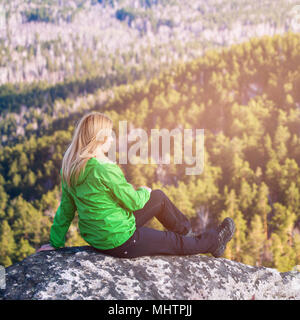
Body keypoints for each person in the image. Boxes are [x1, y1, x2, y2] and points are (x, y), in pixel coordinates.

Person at [37, 111, 235, 259]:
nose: (112, 139)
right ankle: (212, 242)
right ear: (100, 140)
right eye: (110, 135)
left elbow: (66, 209)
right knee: (171, 241)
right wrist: (142, 191)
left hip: (99, 236)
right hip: (120, 241)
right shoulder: (104, 169)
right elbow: (133, 203)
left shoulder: (72, 168)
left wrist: (55, 242)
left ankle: (186, 233)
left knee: (158, 198)